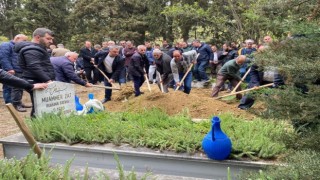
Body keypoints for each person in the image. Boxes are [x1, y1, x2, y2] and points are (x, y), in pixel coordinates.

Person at [14, 27, 56, 117]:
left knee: (41, 106)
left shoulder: (38, 48)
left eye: (51, 39)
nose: (51, 41)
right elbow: (34, 66)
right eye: (48, 39)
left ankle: (40, 126)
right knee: (39, 107)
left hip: (39, 80)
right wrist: (48, 80)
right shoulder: (31, 49)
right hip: (35, 81)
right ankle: (36, 128)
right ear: (38, 37)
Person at [0, 34, 30, 112]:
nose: (25, 42)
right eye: (24, 40)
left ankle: (17, 102)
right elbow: (3, 58)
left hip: (19, 70)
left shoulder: (19, 47)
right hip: (11, 70)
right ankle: (11, 104)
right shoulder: (6, 45)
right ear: (17, 38)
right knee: (10, 87)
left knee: (19, 86)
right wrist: (9, 68)